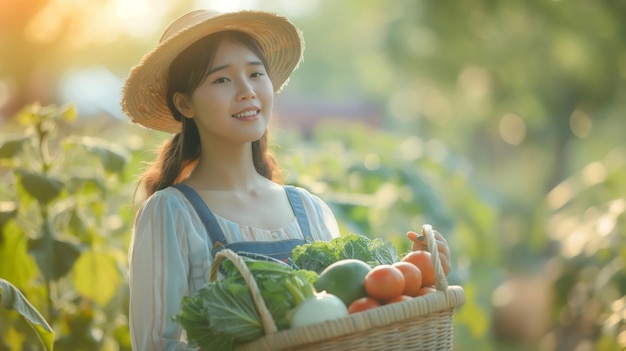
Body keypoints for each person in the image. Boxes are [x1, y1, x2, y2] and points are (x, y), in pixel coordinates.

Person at [121, 8, 451, 351]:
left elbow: (348, 317)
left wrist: (414, 271)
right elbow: (156, 346)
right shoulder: (170, 214)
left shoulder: (310, 209)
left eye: (255, 74)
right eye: (222, 79)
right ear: (184, 103)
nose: (247, 90)